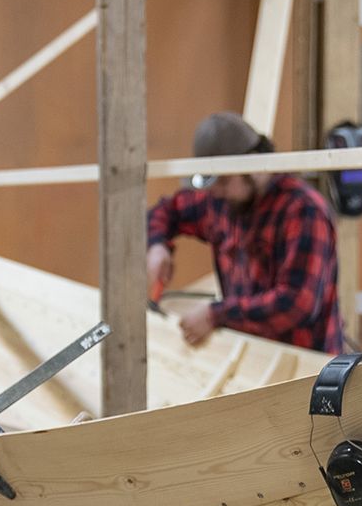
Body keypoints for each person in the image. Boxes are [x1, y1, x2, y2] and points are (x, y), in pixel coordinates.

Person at [147, 111, 343, 353]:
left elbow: (296, 304)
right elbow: (167, 211)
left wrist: (215, 314)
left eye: (224, 182)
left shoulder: (303, 211)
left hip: (307, 366)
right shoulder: (221, 202)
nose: (216, 192)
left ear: (253, 164)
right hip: (251, 354)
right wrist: (157, 245)